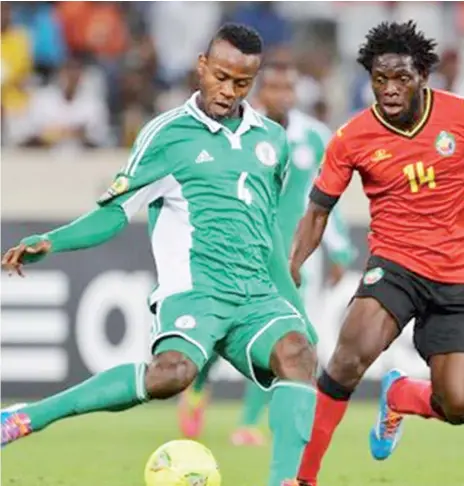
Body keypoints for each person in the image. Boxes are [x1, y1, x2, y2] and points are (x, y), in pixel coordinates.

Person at [1, 24, 318, 486]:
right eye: (221, 77)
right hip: (195, 292)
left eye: (241, 83)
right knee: (170, 376)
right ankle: (32, 415)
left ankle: (285, 482)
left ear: (254, 80)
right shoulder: (167, 135)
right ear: (202, 67)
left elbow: (267, 234)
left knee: (298, 355)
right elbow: (113, 214)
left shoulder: (271, 141)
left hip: (255, 296)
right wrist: (53, 241)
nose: (227, 91)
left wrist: (296, 309)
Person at [288, 21, 464, 485]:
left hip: (459, 276)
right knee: (350, 354)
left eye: (401, 78)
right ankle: (302, 478)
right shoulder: (352, 137)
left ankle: (402, 396)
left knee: (462, 404)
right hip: (396, 265)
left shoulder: (462, 115)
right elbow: (317, 211)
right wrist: (291, 266)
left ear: (423, 76)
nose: (389, 89)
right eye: (380, 79)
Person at [177, 61, 357, 446]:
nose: (283, 96)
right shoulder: (240, 131)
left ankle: (249, 423)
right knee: (220, 330)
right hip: (240, 249)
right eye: (274, 88)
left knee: (285, 337)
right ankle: (197, 387)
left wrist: (339, 250)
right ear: (260, 91)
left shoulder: (315, 136)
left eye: (289, 88)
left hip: (290, 258)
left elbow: (327, 198)